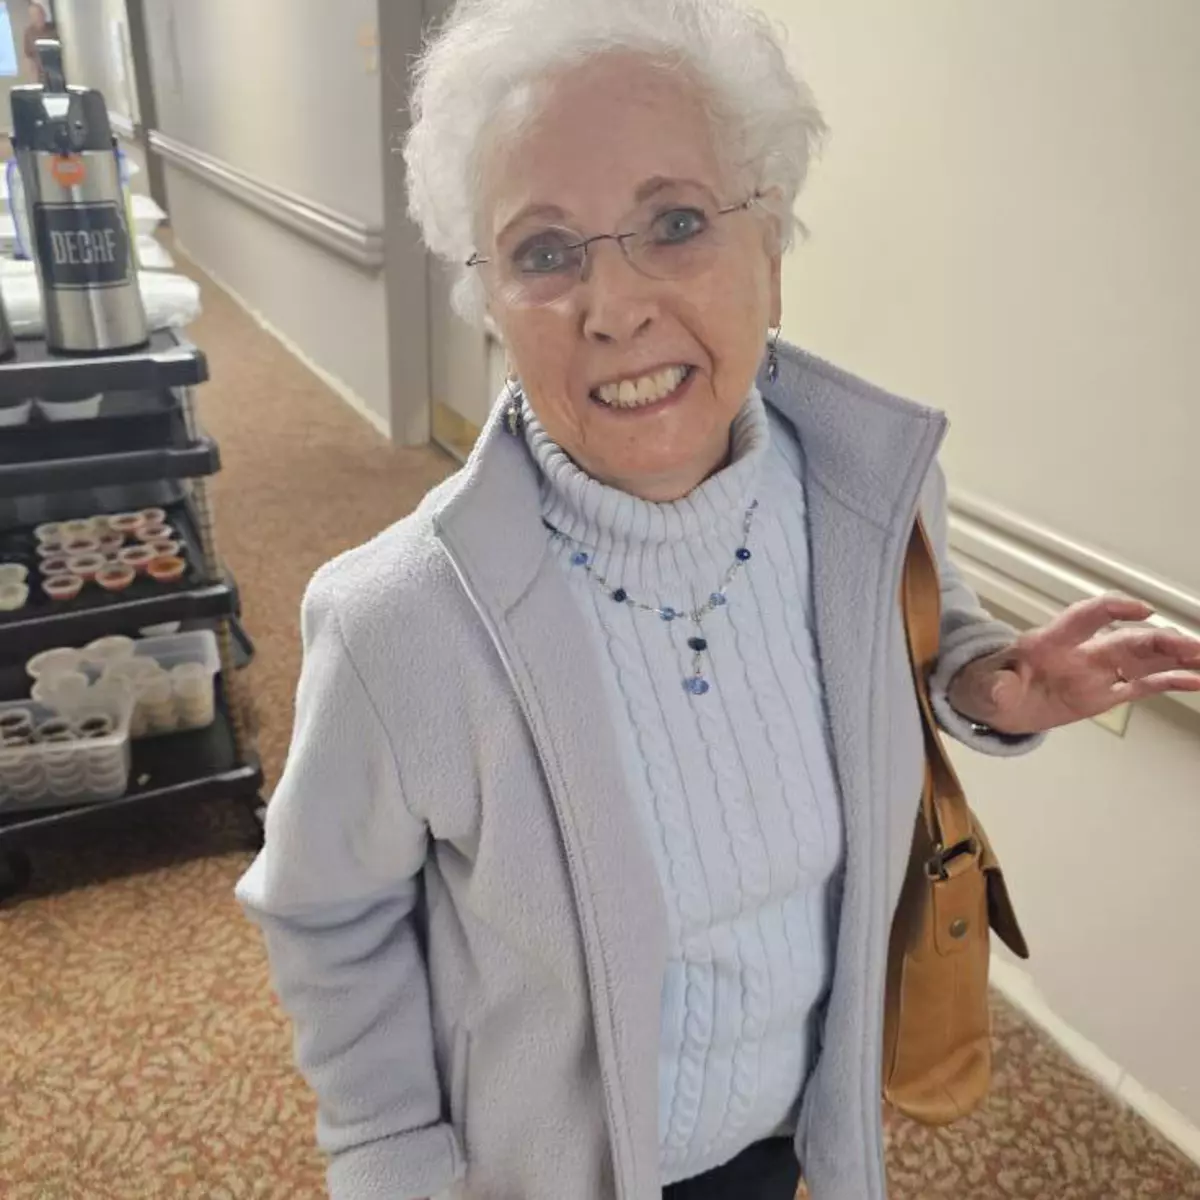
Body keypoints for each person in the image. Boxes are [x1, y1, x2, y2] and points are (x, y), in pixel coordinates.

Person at [236, 1, 1200, 1197]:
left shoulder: (869, 494)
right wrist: (391, 1161)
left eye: (677, 223)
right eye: (545, 251)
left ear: (771, 256)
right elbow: (329, 916)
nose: (614, 306)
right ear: (490, 304)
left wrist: (983, 682)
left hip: (793, 1128)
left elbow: (912, 638)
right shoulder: (398, 624)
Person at [22, 3, 57, 83]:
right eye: (34, 16)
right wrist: (32, 78)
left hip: (57, 71)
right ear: (31, 18)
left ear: (44, 14)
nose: (38, 17)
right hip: (41, 74)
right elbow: (28, 56)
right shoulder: (29, 33)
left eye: (40, 14)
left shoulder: (55, 29)